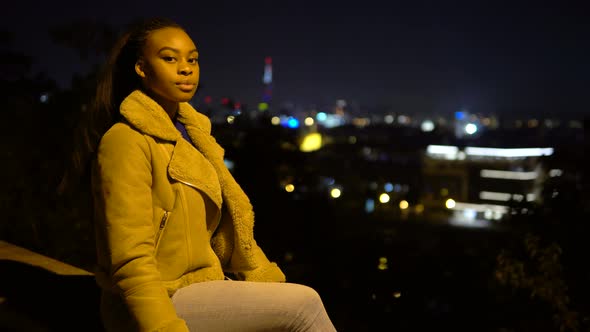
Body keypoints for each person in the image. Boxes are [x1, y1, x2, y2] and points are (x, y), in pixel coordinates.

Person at [63, 17, 337, 331]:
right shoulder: (126, 141)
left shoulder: (195, 138)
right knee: (304, 305)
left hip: (201, 285)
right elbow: (129, 259)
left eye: (192, 59)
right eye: (169, 58)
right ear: (141, 68)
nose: (186, 68)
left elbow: (224, 232)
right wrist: (163, 326)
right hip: (156, 300)